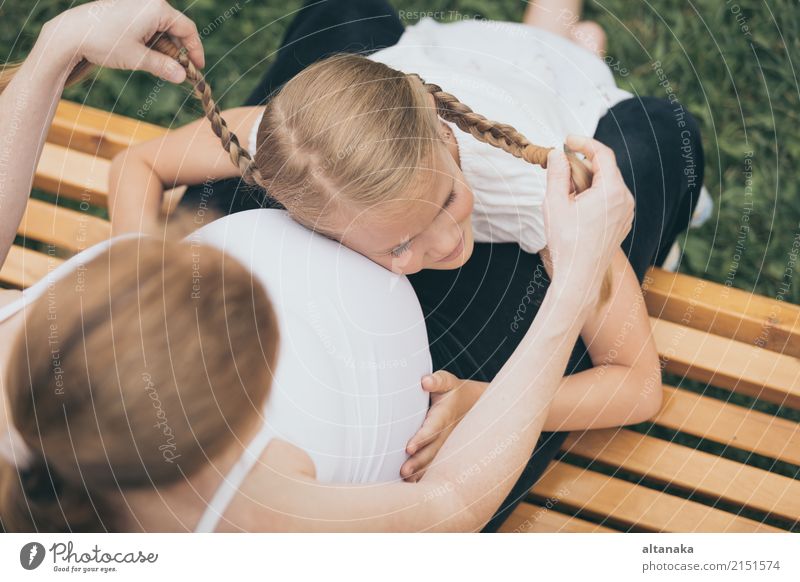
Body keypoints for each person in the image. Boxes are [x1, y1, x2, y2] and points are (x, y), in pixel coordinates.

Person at [0, 0, 634, 532]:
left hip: (439, 110)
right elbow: (449, 505)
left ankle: (558, 44)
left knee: (343, 16)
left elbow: (141, 166)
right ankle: (564, 46)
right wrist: (569, 289)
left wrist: (59, 46)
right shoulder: (238, 511)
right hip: (517, 129)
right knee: (649, 137)